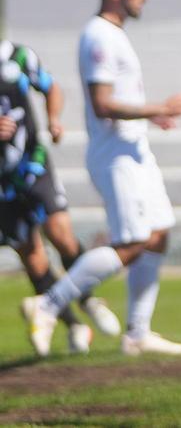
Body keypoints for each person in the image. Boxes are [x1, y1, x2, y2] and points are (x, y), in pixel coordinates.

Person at [21, 0, 181, 357]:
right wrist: (159, 109)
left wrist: (152, 120)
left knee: (159, 234)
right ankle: (47, 304)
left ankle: (137, 333)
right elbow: (102, 104)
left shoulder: (114, 34)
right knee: (131, 243)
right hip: (115, 156)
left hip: (134, 150)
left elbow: (120, 101)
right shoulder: (98, 35)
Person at [0, 40, 121, 355]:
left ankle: (89, 299)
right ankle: (74, 324)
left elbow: (51, 88)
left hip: (33, 165)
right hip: (2, 186)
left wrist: (54, 119)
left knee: (61, 234)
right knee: (31, 253)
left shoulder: (18, 56)